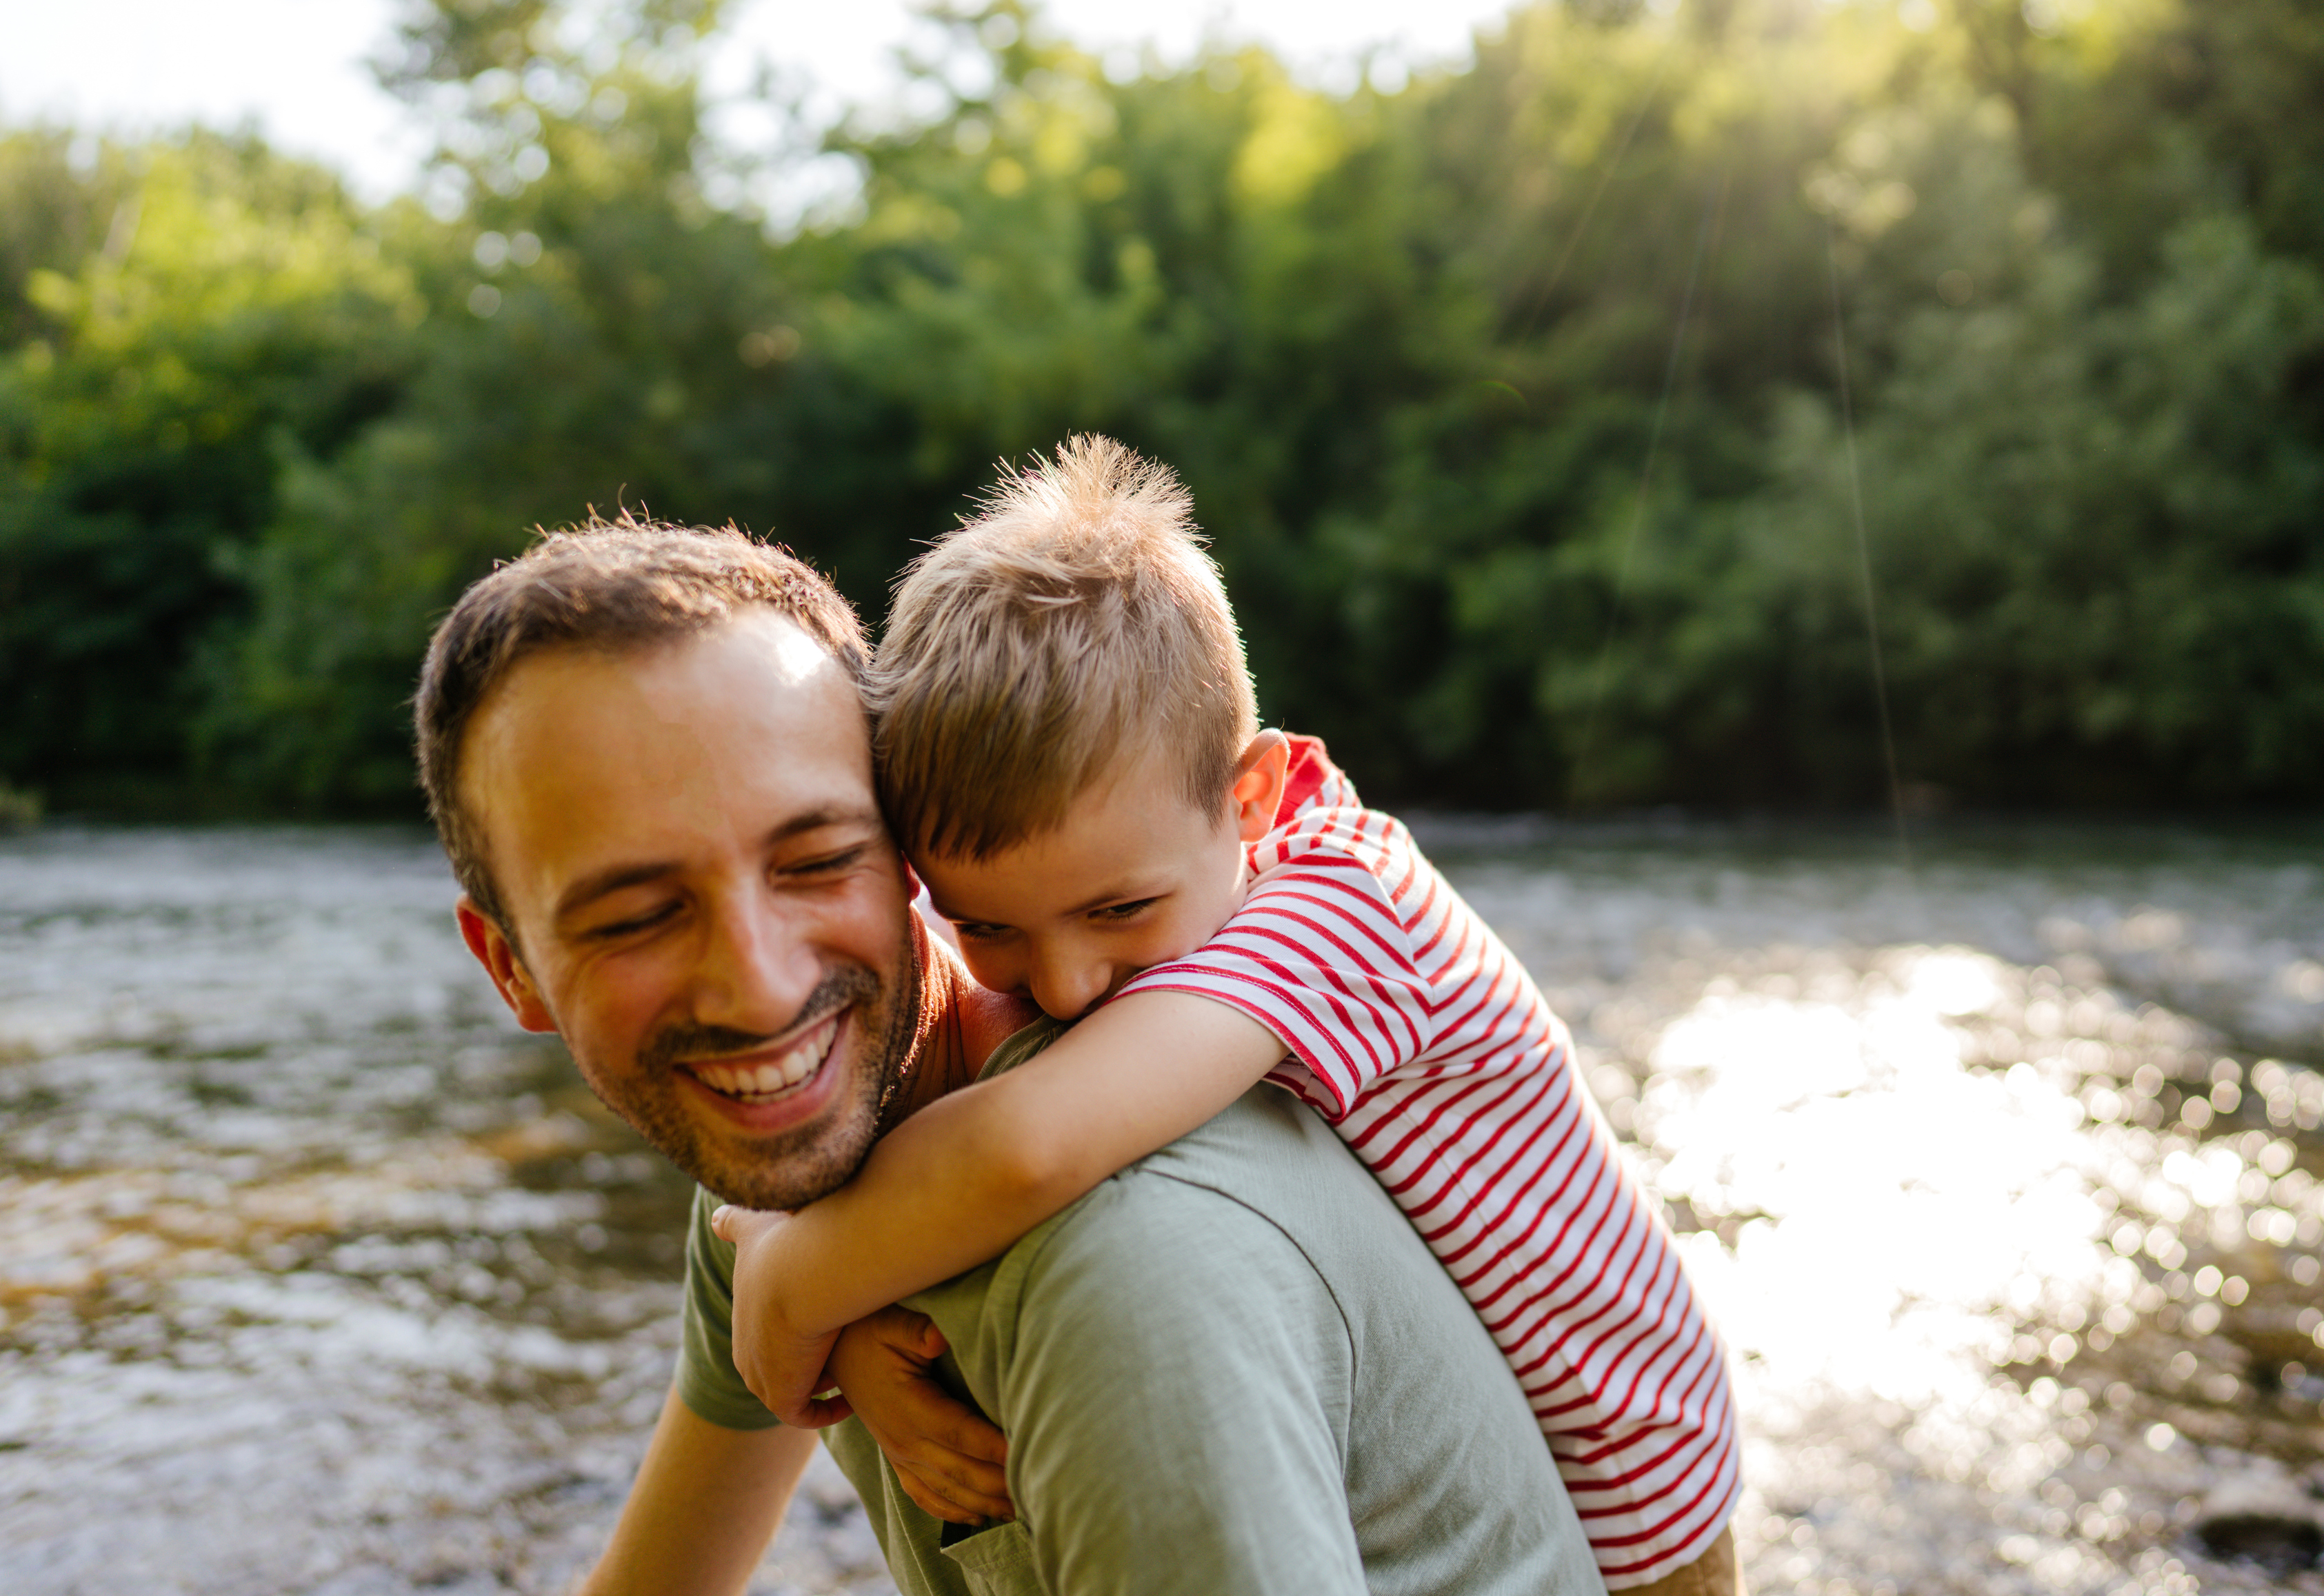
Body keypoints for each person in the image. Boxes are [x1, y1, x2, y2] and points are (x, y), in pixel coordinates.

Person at [414, 516, 1605, 1596]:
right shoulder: (784, 1166)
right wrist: (803, 1270)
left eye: (818, 858)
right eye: (635, 917)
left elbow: (1033, 1158)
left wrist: (807, 1275)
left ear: (904, 852)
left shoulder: (1138, 1270)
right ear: (509, 966)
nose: (762, 988)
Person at [711, 438, 1740, 1593]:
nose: (1065, 986)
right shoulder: (1176, 868)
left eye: (1119, 910)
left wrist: (794, 1283)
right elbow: (947, 1114)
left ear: (1249, 795)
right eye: (989, 927)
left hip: (1637, 1473)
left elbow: (1025, 1144)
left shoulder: (1341, 913)